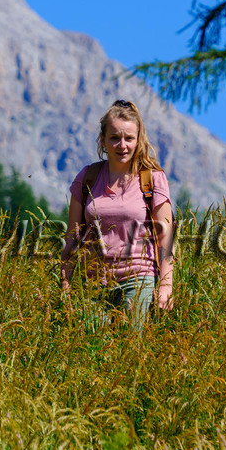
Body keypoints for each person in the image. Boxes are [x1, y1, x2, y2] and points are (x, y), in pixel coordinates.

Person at [59, 99, 175, 329]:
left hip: (139, 279)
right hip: (91, 282)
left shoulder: (152, 179)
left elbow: (166, 239)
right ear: (103, 140)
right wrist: (65, 282)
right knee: (91, 346)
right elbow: (72, 236)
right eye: (114, 138)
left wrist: (165, 287)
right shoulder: (87, 178)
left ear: (138, 140)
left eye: (129, 138)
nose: (122, 145)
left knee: (130, 346)